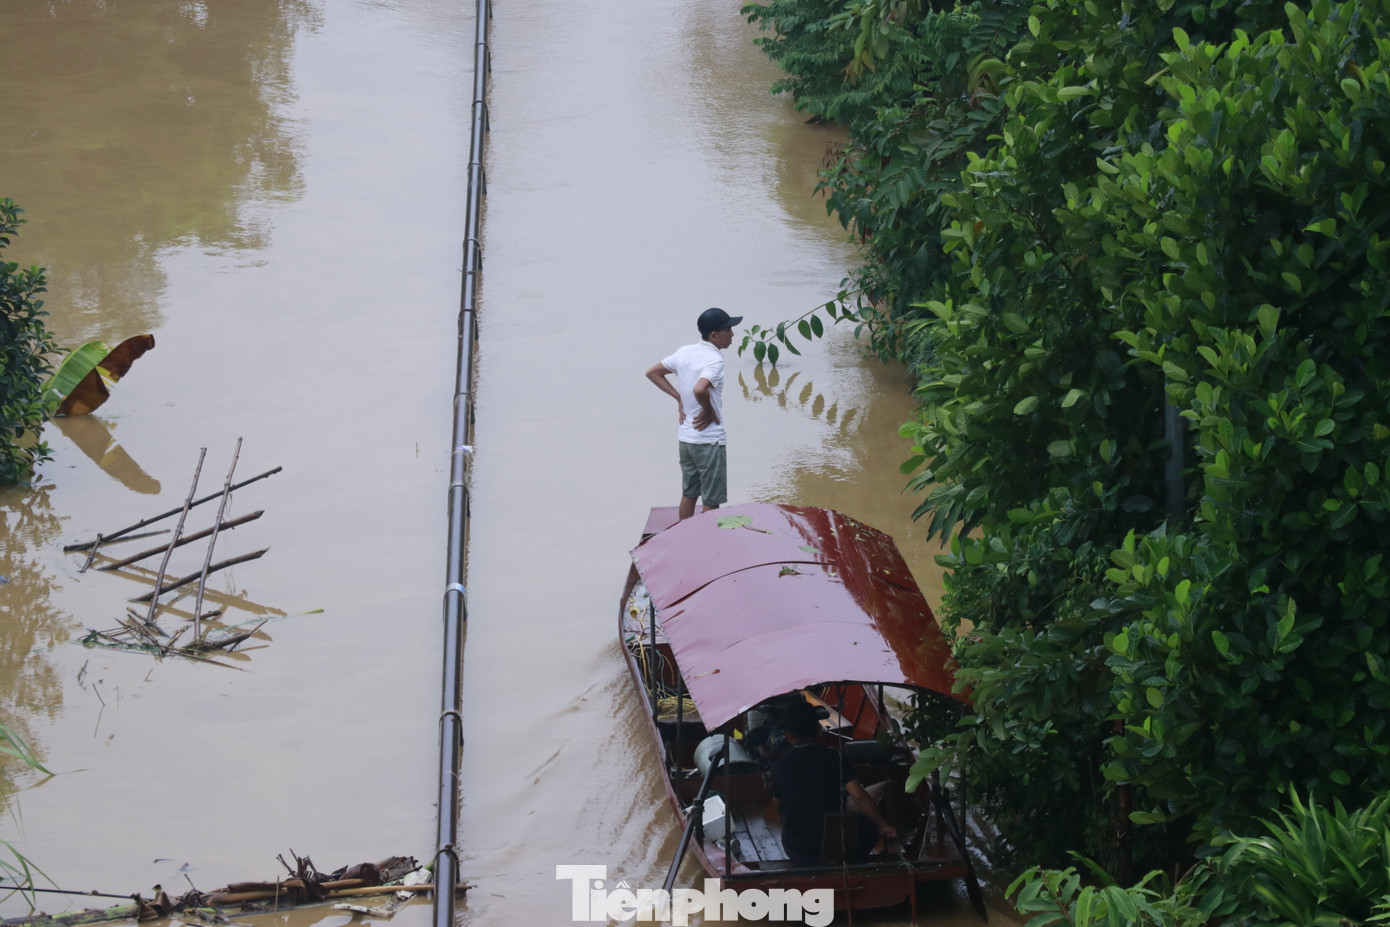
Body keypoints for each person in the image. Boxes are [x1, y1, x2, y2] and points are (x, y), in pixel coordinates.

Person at [768, 700, 898, 867]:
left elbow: (777, 803)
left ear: (789, 736)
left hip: (799, 852)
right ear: (818, 730)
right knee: (870, 824)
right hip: (835, 848)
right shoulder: (835, 757)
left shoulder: (779, 766)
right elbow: (858, 796)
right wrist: (883, 825)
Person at [644, 307, 742, 520]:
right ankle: (707, 545)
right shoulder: (714, 360)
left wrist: (679, 397)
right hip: (709, 441)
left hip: (686, 439)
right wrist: (709, 410)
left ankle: (683, 539)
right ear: (714, 335)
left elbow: (653, 373)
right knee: (711, 500)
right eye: (728, 330)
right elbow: (700, 389)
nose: (732, 335)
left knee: (689, 494)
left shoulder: (685, 352)